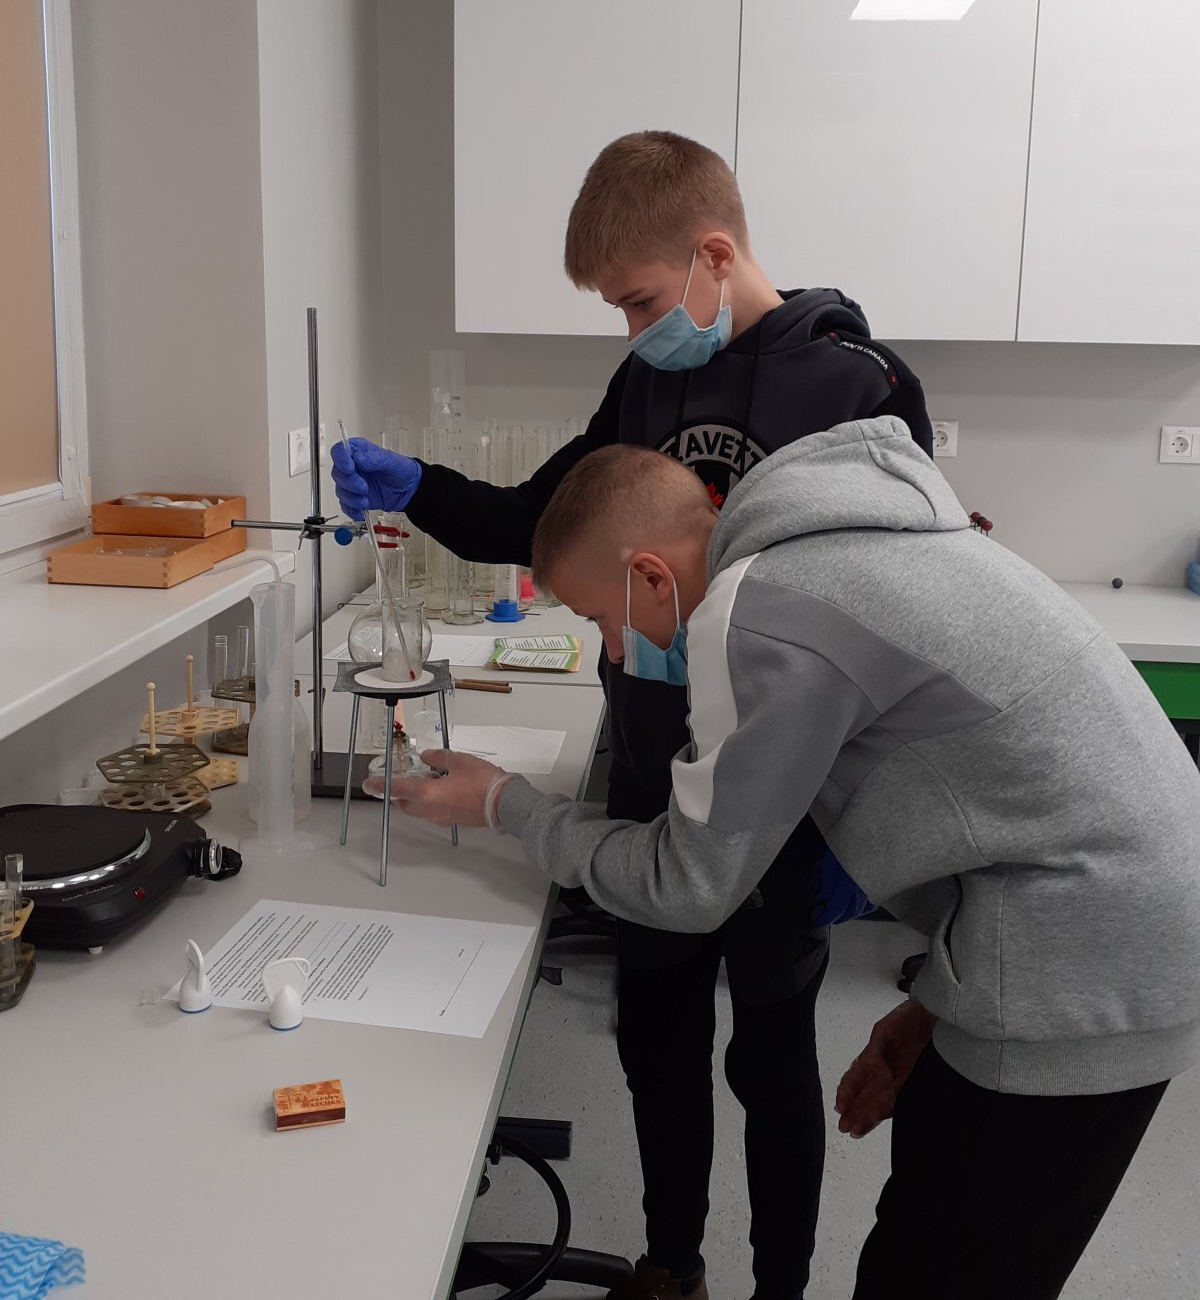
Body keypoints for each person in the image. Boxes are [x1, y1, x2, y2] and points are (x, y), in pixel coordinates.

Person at [393, 423, 1200, 1300]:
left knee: (939, 1271)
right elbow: (1022, 805)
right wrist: (936, 1006)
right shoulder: (834, 544)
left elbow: (688, 884)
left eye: (600, 621)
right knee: (924, 1242)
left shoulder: (757, 610)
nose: (615, 655)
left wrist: (503, 803)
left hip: (1093, 955)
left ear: (651, 576)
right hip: (1101, 922)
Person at [333, 131, 931, 1300]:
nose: (633, 329)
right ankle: (672, 1263)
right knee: (657, 1040)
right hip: (657, 768)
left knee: (771, 1056)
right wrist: (421, 485)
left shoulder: (856, 384)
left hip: (785, 790)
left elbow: (892, 599)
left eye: (642, 300)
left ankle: (779, 1283)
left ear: (714, 254)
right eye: (617, 308)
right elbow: (545, 518)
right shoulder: (650, 378)